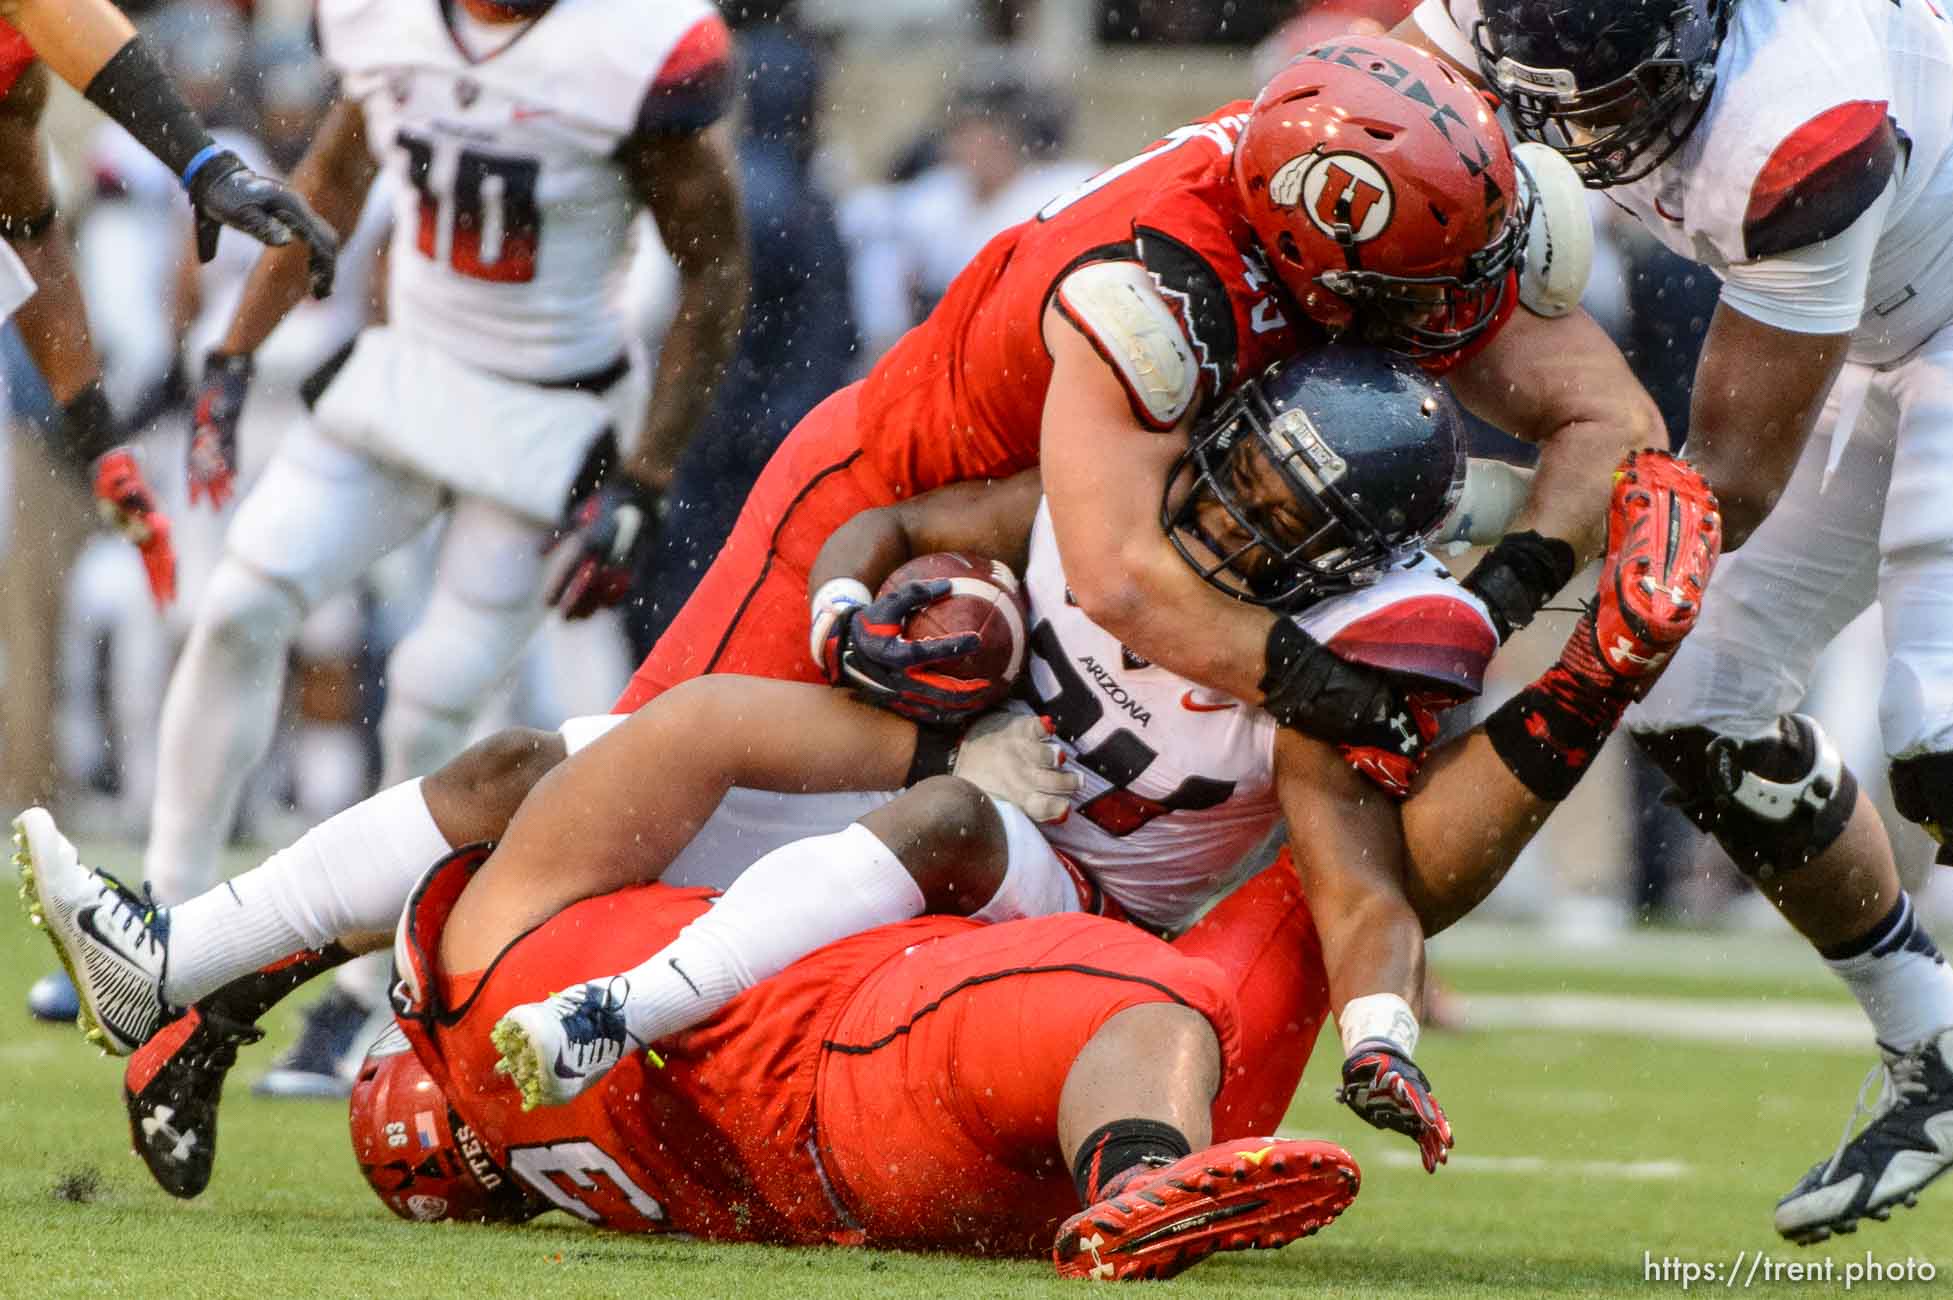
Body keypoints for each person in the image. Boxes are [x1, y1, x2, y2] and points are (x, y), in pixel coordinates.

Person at [15, 347, 1722, 1206]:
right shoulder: (1100, 504)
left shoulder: (1328, 670)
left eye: (1277, 525)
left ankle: (639, 1006)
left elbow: (1351, 876)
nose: (1225, 522)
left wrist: (1381, 1032)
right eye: (1234, 481)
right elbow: (895, 521)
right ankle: (182, 967)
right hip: (931, 750)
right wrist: (850, 611)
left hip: (1061, 877)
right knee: (525, 767)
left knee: (960, 812)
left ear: (1340, 564)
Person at [1401, 0, 1953, 1245]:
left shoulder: (1799, 117)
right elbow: (1383, 114)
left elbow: (1730, 489)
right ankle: (1934, 1042)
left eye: (1617, 88)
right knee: (1693, 706)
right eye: (1565, 92)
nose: (1590, 127)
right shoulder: (1492, 21)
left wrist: (1516, 562)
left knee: (1941, 735)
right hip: (1873, 327)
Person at [130, 0, 749, 1088]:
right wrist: (233, 352)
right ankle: (164, 927)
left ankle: (371, 997)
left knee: (435, 692)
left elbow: (715, 267)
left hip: (548, 406)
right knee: (237, 605)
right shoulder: (388, 23)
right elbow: (331, 181)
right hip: (407, 373)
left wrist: (648, 476)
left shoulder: (626, 47)